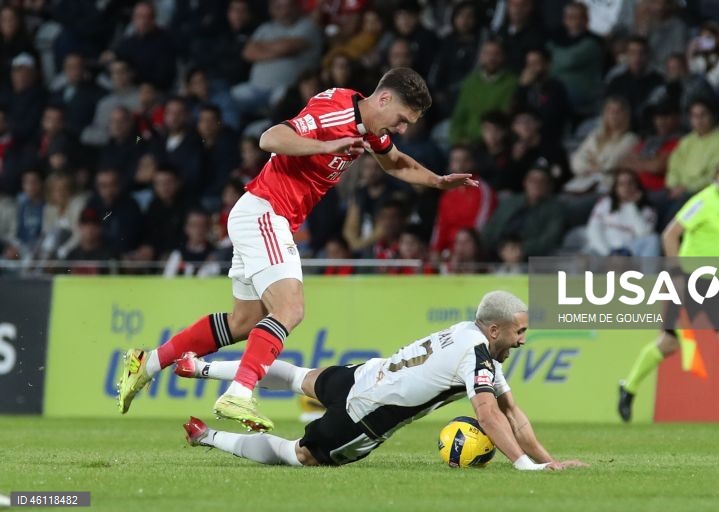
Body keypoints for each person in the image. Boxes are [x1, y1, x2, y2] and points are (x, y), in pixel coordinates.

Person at [117, 67, 477, 432]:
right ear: (384, 99)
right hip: (266, 211)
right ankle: (239, 392)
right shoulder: (336, 111)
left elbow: (395, 162)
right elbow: (270, 138)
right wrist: (326, 145)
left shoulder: (369, 128)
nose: (401, 129)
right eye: (401, 119)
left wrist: (436, 180)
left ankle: (146, 363)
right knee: (290, 307)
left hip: (262, 215)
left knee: (243, 322)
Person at [178, 291, 586, 470]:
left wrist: (547, 463)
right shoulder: (477, 354)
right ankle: (206, 437)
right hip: (365, 415)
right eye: (519, 332)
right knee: (299, 455)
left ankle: (199, 368)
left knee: (299, 376)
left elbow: (514, 412)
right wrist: (523, 466)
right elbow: (491, 415)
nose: (523, 340)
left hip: (365, 373)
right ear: (495, 330)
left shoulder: (469, 333)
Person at [618, 160, 719, 423]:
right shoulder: (703, 202)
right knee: (669, 343)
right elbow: (669, 235)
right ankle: (628, 387)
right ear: (716, 177)